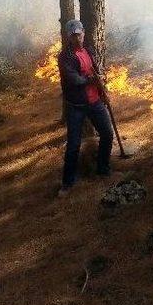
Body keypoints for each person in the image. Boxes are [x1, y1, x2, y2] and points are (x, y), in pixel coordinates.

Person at [57, 19, 114, 196]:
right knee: (73, 144)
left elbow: (95, 71)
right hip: (77, 106)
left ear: (84, 33)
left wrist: (101, 87)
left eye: (79, 34)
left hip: (95, 101)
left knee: (107, 133)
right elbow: (74, 79)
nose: (77, 38)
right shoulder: (65, 57)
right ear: (69, 37)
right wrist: (92, 79)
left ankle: (102, 168)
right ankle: (68, 183)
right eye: (73, 35)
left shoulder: (88, 50)